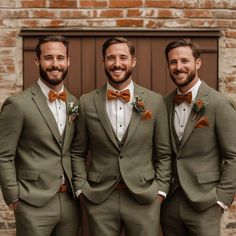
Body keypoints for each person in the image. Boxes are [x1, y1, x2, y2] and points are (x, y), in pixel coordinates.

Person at [70, 36, 172, 236]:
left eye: (123, 57)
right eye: (111, 58)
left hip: (144, 198)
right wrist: (82, 188)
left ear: (133, 61)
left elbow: (164, 153)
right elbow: (77, 151)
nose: (117, 64)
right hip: (100, 199)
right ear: (103, 62)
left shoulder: (154, 101)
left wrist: (160, 191)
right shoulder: (87, 101)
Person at [0, 35, 80, 236]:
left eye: (60, 58)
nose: (55, 64)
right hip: (32, 203)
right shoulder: (17, 104)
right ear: (37, 61)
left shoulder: (74, 102)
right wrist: (14, 199)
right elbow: (4, 155)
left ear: (68, 61)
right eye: (48, 58)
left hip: (69, 204)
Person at [161, 38, 236, 236]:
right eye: (173, 62)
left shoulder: (220, 104)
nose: (179, 67)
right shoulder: (165, 103)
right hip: (171, 203)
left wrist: (221, 199)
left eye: (185, 61)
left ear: (198, 63)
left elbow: (233, 156)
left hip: (206, 204)